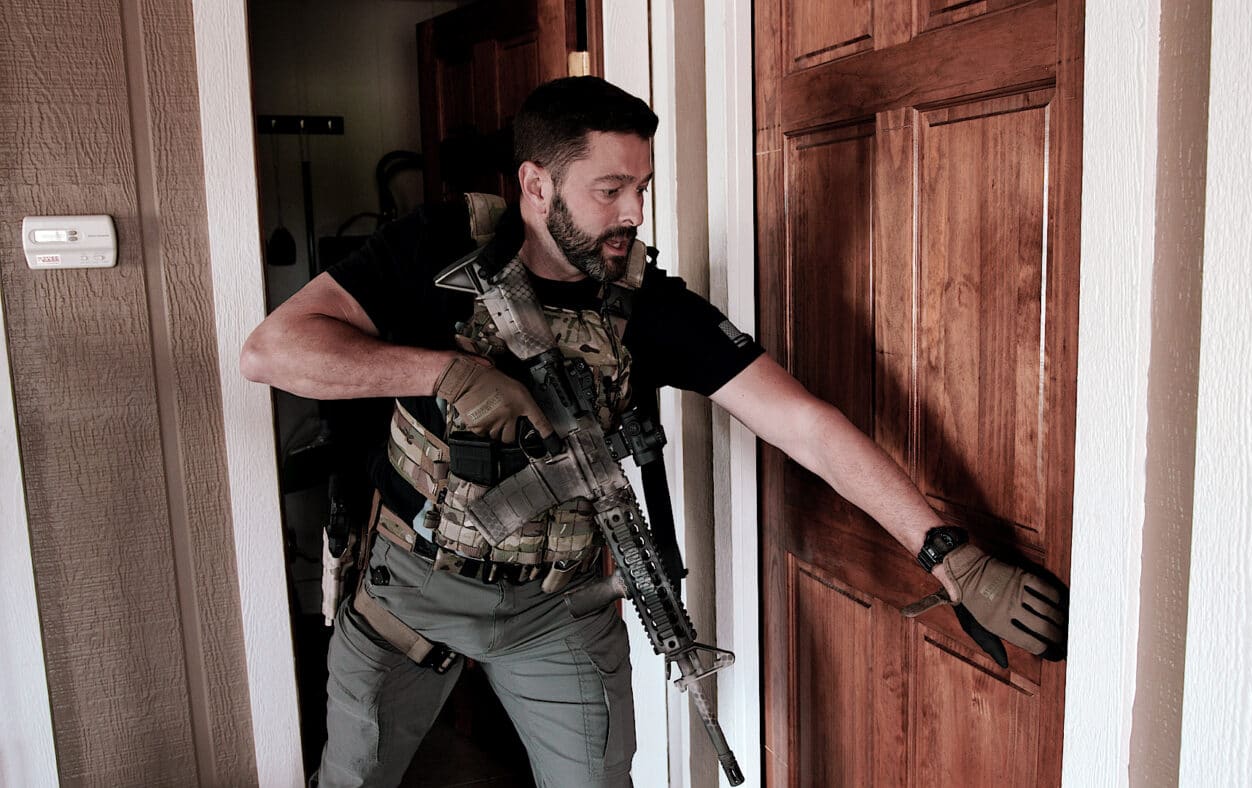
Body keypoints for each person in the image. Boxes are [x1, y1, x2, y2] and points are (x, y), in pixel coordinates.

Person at [240, 76, 1067, 788]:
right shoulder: (439, 247)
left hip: (554, 611)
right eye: (610, 189)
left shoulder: (647, 308)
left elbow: (805, 423)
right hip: (408, 595)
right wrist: (444, 372)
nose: (633, 212)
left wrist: (947, 554)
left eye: (642, 187)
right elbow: (272, 350)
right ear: (536, 185)